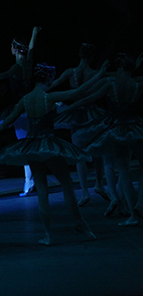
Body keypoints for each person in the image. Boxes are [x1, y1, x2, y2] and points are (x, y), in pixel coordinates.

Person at [0, 62, 107, 245]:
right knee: (66, 184)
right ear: (49, 78)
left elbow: (6, 123)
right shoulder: (48, 97)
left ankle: (48, 233)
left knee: (42, 189)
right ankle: (79, 222)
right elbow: (78, 92)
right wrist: (100, 75)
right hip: (48, 144)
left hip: (33, 145)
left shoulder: (26, 99)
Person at [64, 53, 143, 226]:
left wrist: (68, 109)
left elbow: (88, 97)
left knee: (123, 170)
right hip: (136, 126)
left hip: (117, 127)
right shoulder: (138, 84)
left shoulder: (111, 84)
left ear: (119, 68)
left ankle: (132, 213)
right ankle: (137, 205)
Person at [50, 44, 109, 206]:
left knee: (79, 153)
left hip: (76, 113)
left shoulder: (71, 72)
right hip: (92, 113)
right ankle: (99, 184)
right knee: (97, 150)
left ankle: (85, 192)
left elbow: (53, 84)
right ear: (91, 57)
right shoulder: (95, 74)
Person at [0, 27, 40, 196]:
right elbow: (31, 49)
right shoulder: (29, 62)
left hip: (20, 109)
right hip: (32, 106)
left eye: (11, 46)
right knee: (30, 144)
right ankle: (33, 180)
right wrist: (34, 34)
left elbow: (6, 74)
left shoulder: (17, 67)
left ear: (16, 49)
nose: (10, 49)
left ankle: (29, 181)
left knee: (24, 144)